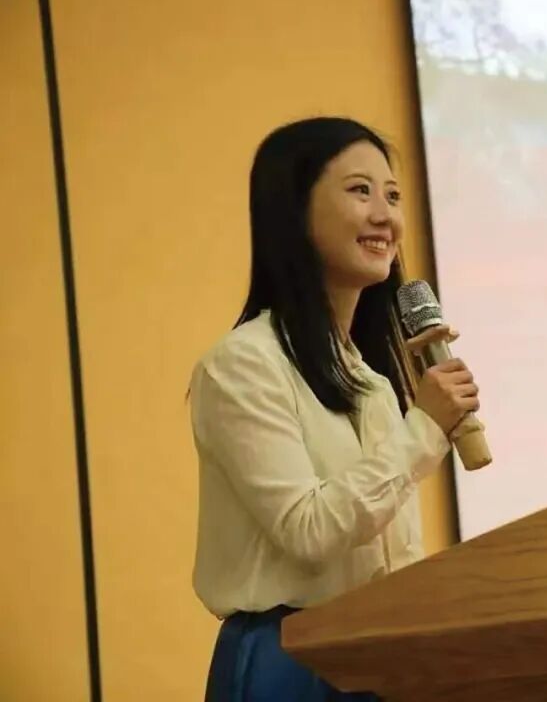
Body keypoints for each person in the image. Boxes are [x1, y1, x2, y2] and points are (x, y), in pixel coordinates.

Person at [188, 117, 479, 701]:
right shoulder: (244, 364)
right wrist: (424, 429)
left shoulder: (370, 380)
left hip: (379, 651)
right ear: (294, 211)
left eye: (392, 196)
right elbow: (309, 531)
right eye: (360, 191)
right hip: (289, 662)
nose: (385, 216)